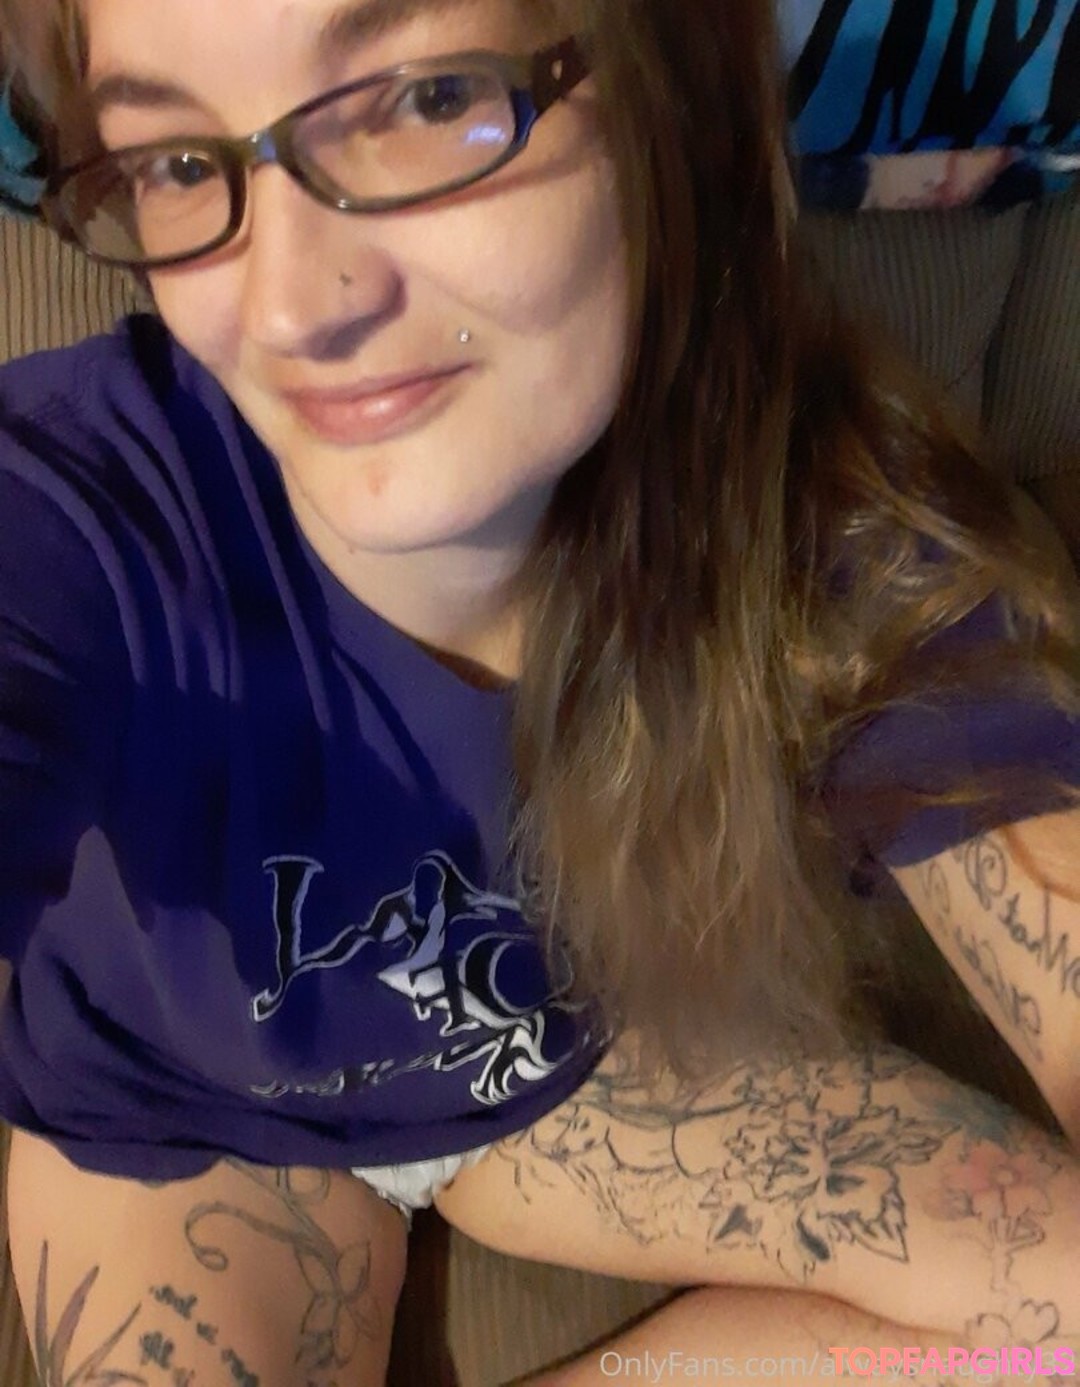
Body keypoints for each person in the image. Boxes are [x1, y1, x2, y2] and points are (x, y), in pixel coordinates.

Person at [0, 2, 1078, 1384]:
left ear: (671, 97)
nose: (288, 308)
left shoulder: (832, 526)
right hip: (183, 1117)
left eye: (426, 98)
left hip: (548, 1079)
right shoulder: (77, 514)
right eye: (175, 163)